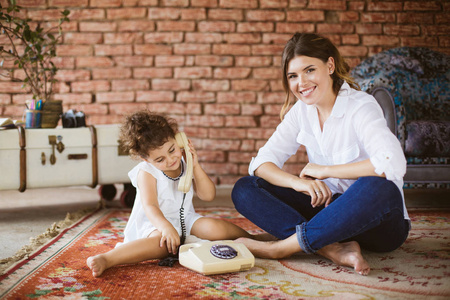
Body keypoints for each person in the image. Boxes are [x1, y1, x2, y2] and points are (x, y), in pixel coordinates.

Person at [231, 32, 410, 276]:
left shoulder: (361, 106)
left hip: (376, 223)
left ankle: (281, 248)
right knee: (245, 188)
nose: (301, 82)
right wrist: (299, 184)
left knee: (381, 186)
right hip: (327, 213)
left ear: (330, 65)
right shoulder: (301, 112)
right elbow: (262, 163)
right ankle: (330, 248)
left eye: (309, 70)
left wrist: (326, 171)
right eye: (293, 76)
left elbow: (393, 162)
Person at [87, 110, 254, 277]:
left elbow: (208, 195)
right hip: (155, 224)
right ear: (146, 159)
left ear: (177, 138)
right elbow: (150, 206)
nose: (170, 160)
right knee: (162, 245)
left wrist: (194, 166)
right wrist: (166, 227)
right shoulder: (146, 172)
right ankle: (107, 259)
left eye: (172, 150)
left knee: (214, 228)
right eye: (160, 160)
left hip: (184, 219)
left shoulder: (184, 161)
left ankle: (254, 241)